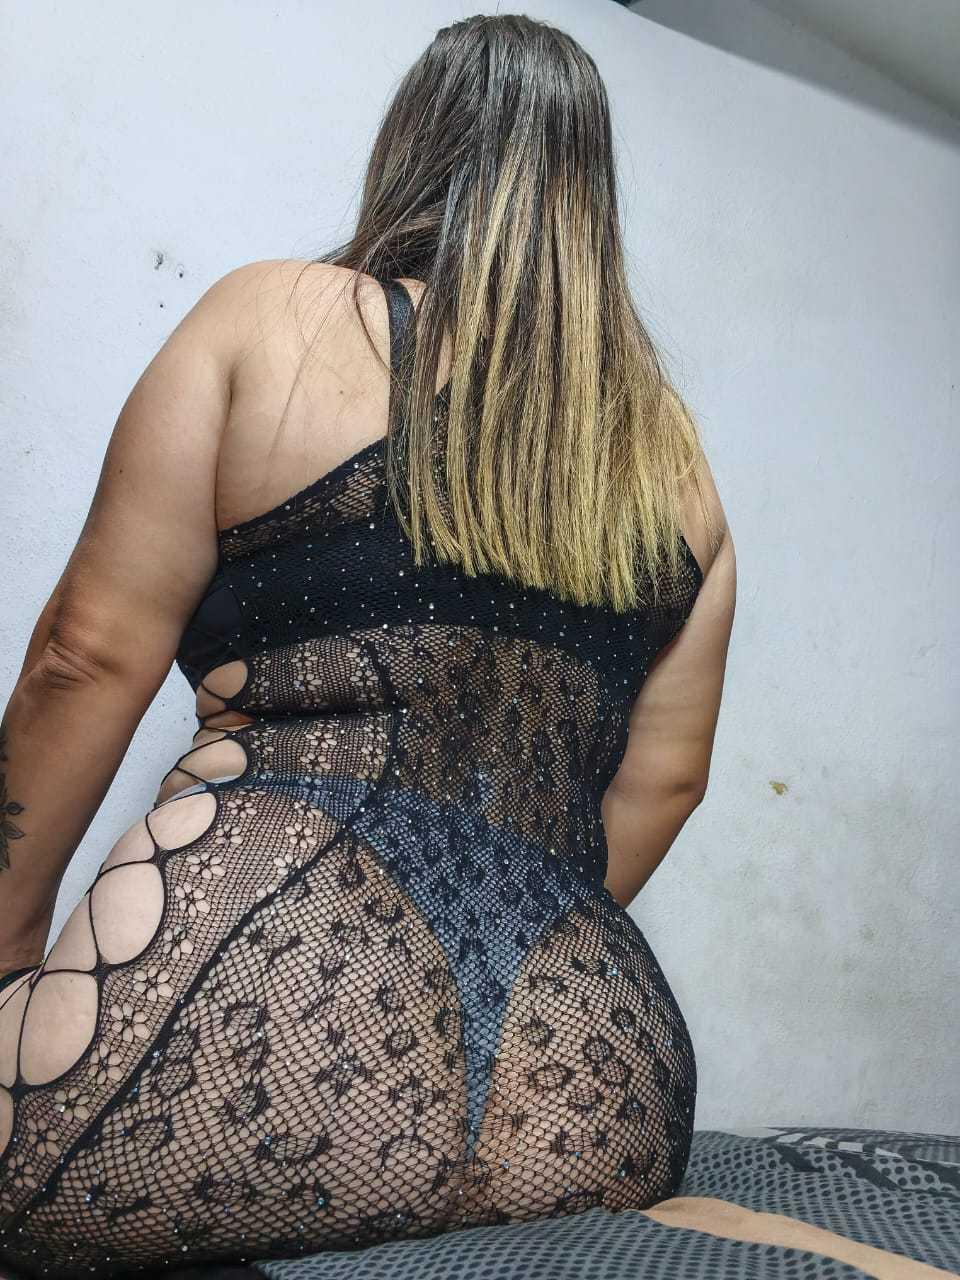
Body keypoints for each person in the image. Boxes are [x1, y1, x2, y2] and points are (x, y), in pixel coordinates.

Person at [0, 12, 735, 1276]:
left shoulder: (269, 318)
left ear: (414, 147)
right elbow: (667, 780)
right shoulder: (669, 458)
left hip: (250, 989)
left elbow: (85, 654)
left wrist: (9, 956)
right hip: (592, 1080)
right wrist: (487, 926)